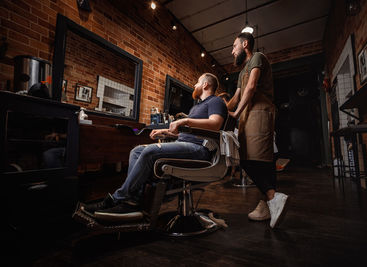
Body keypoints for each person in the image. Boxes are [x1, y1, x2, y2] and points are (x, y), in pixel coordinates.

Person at [83, 73, 227, 215]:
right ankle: (133, 201)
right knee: (137, 150)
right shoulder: (196, 107)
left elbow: (215, 124)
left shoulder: (215, 101)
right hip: (186, 144)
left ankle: (118, 198)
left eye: (197, 82)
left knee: (149, 152)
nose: (194, 85)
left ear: (205, 84)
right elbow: (186, 134)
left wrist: (185, 120)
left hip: (199, 149)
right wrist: (165, 132)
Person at [226, 32, 289, 228]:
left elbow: (251, 87)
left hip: (260, 112)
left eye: (234, 46)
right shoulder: (241, 72)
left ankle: (272, 197)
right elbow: (236, 97)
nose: (232, 50)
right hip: (247, 115)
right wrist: (221, 109)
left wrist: (235, 113)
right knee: (259, 159)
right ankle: (268, 204)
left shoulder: (257, 58)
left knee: (251, 160)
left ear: (245, 44)